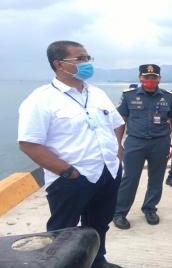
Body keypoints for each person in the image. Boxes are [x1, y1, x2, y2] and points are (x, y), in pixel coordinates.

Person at [18, 40, 124, 268]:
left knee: (99, 223)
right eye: (81, 59)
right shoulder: (40, 100)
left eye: (88, 58)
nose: (87, 63)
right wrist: (68, 172)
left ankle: (97, 260)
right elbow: (29, 144)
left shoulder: (97, 93)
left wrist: (117, 152)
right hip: (71, 179)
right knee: (62, 231)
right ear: (59, 64)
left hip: (107, 172)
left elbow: (117, 123)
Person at [112, 64, 172, 229]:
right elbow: (121, 121)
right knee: (129, 178)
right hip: (135, 142)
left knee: (156, 178)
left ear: (159, 79)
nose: (150, 80)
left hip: (160, 142)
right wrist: (118, 144)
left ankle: (150, 208)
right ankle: (120, 213)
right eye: (146, 77)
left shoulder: (169, 97)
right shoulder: (128, 96)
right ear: (140, 78)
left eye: (154, 77)